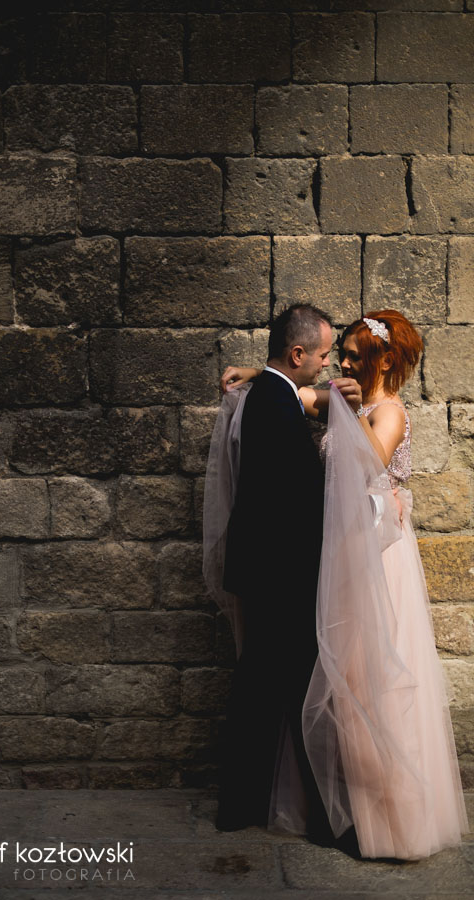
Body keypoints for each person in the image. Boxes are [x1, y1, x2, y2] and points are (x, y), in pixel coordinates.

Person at [215, 308, 470, 860]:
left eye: (353, 356)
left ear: (382, 361)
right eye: (340, 355)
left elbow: (364, 469)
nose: (343, 365)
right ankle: (341, 807)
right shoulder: (340, 395)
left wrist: (350, 416)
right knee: (334, 678)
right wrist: (257, 373)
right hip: (339, 554)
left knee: (369, 676)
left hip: (375, 554)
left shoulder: (390, 412)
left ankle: (384, 811)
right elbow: (294, 387)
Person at [203, 303, 361, 847]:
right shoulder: (274, 402)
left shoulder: (271, 393)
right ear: (297, 354)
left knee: (264, 690)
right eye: (322, 355)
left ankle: (242, 805)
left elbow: (304, 393)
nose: (327, 363)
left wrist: (258, 370)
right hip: (283, 577)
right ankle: (325, 819)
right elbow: (296, 503)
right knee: (303, 694)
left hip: (265, 571)